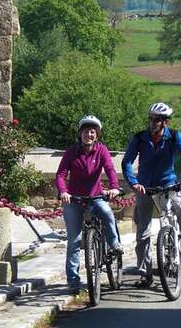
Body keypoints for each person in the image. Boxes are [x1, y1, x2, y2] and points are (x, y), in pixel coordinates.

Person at [122, 102, 181, 287]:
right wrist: (134, 183)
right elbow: (126, 162)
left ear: (165, 122)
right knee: (143, 232)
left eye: (156, 119)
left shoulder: (174, 136)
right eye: (151, 119)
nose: (152, 122)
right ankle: (145, 274)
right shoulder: (140, 138)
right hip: (145, 188)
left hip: (168, 185)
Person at [56, 115, 123, 293]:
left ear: (97, 135)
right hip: (74, 199)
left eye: (92, 132)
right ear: (80, 134)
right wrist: (63, 192)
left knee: (107, 213)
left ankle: (114, 245)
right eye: (86, 132)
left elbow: (110, 169)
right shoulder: (72, 152)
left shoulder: (101, 150)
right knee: (74, 240)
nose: (89, 135)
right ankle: (73, 281)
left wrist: (115, 187)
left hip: (95, 197)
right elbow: (61, 174)